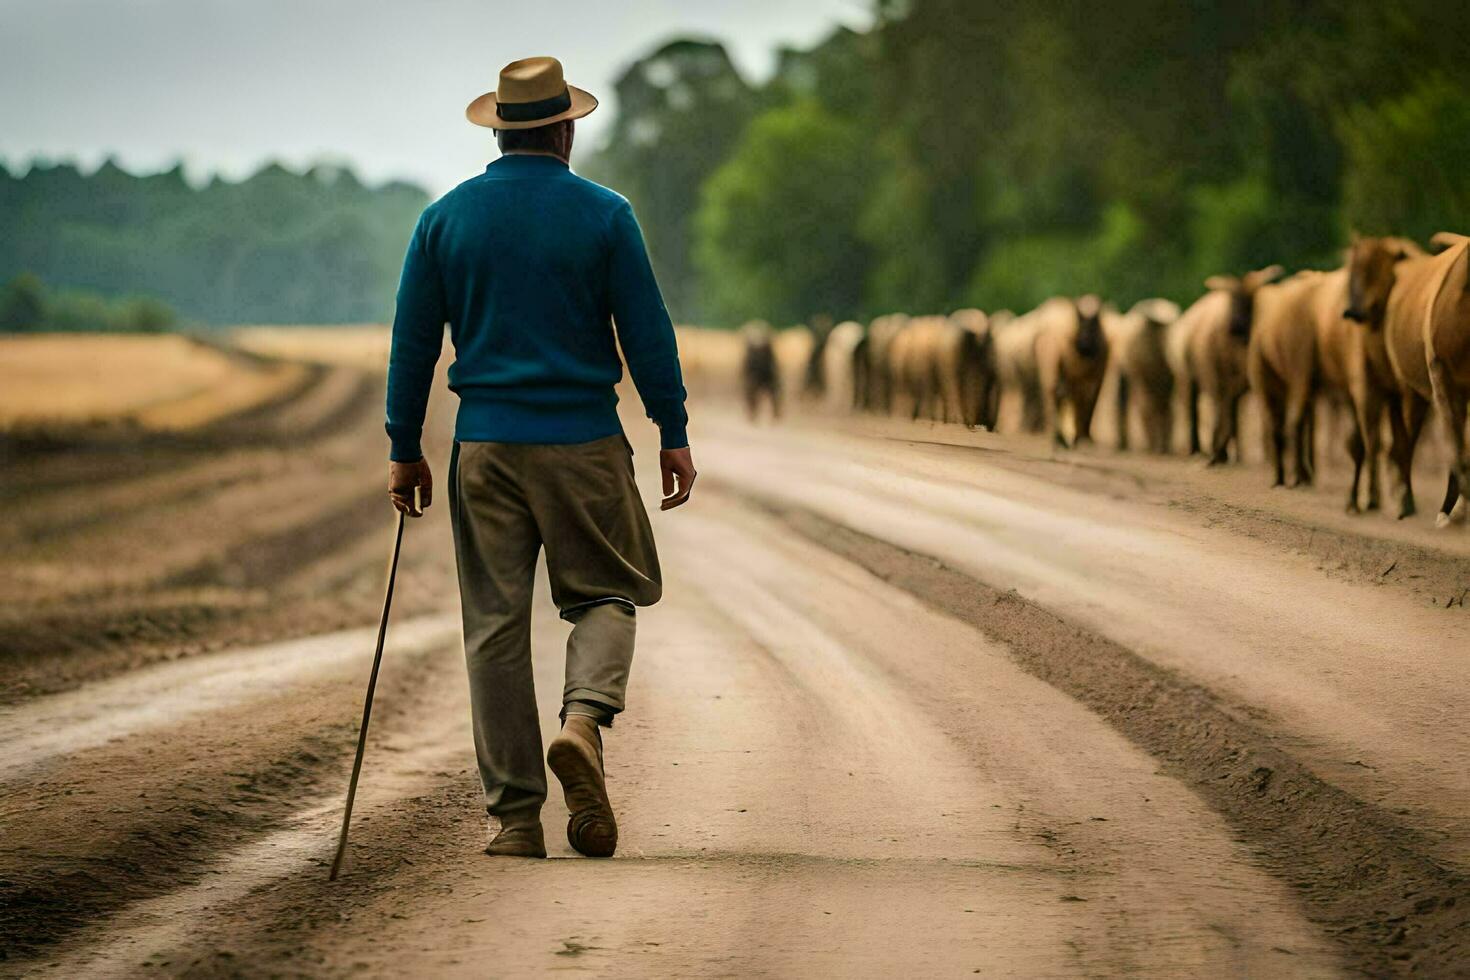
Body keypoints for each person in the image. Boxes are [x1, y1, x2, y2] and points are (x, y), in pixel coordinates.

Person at [383, 56, 696, 859]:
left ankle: (516, 820)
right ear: (565, 129)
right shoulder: (605, 213)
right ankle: (583, 724)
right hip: (583, 443)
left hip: (484, 447)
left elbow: (414, 342)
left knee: (493, 625)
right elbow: (647, 330)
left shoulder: (444, 219)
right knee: (608, 593)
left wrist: (404, 448)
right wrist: (672, 429)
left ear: (497, 130)